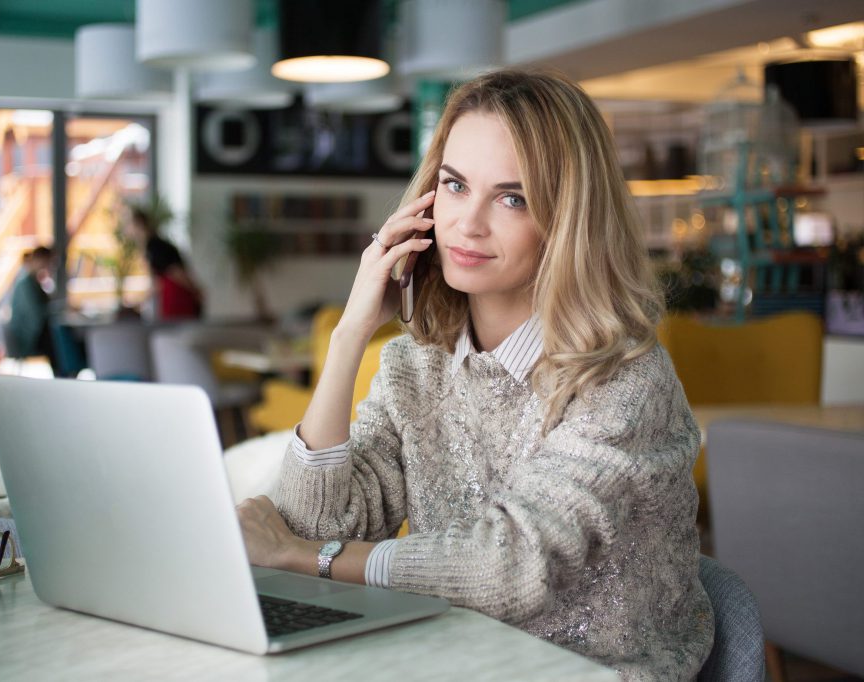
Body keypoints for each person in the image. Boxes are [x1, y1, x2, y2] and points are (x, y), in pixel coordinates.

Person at [235, 69, 713, 681]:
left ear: (567, 220)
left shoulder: (625, 380)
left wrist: (305, 558)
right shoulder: (416, 365)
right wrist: (351, 331)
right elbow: (318, 524)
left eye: (512, 198)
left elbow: (510, 568)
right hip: (456, 660)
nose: (468, 223)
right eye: (455, 186)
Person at [128, 208, 203, 320]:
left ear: (138, 224)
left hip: (177, 295)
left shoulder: (155, 247)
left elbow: (176, 272)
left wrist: (195, 290)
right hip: (172, 295)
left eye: (129, 224)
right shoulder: (152, 245)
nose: (127, 229)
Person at [6, 246, 55, 362]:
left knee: (59, 337)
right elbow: (37, 314)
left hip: (34, 334)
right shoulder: (25, 284)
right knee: (58, 338)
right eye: (48, 262)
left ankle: (65, 374)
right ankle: (64, 375)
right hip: (26, 338)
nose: (49, 266)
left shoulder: (33, 281)